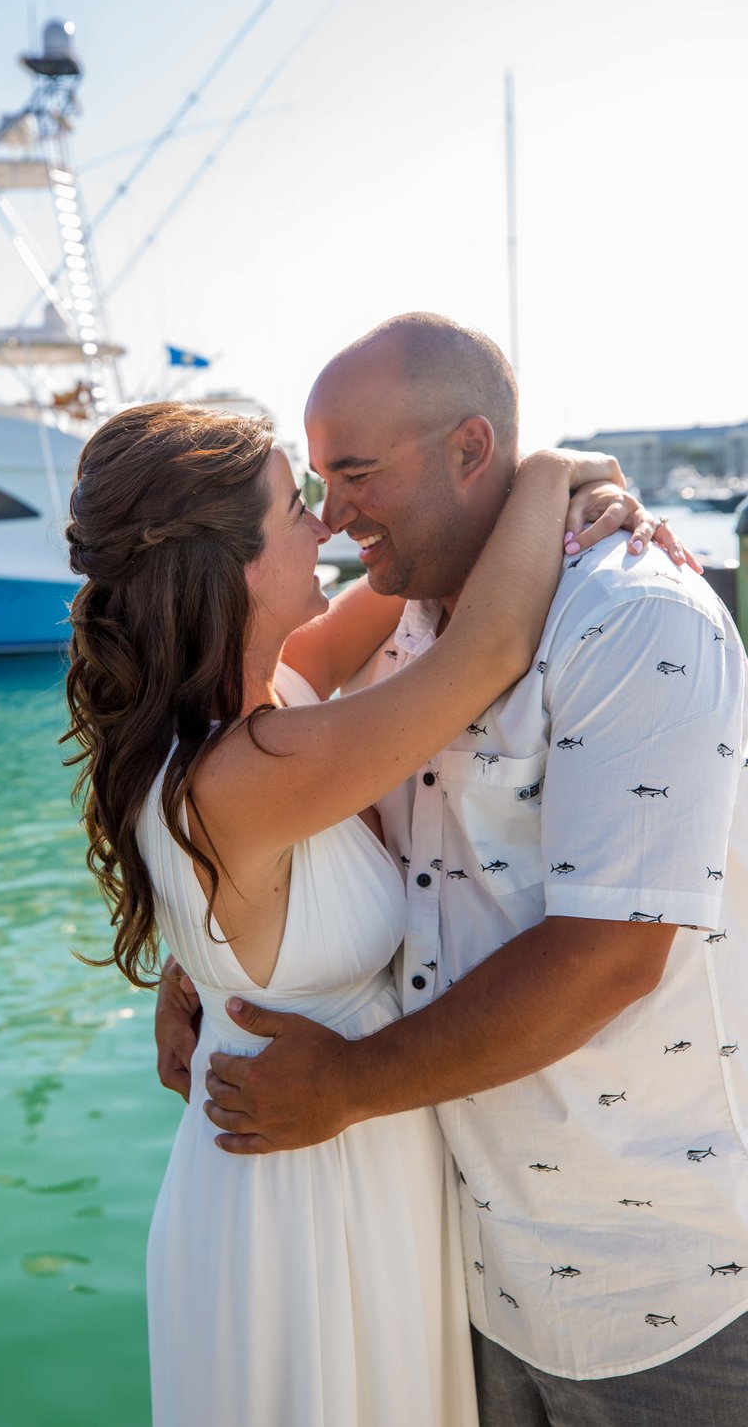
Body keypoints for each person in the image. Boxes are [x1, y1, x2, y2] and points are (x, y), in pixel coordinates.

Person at [158, 313, 748, 1425]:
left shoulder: (631, 618)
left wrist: (345, 1085)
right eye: (314, 487)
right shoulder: (389, 625)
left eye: (355, 474)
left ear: (472, 451)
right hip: (458, 1256)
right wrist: (201, 956)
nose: (332, 517)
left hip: (653, 1270)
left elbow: (611, 959)